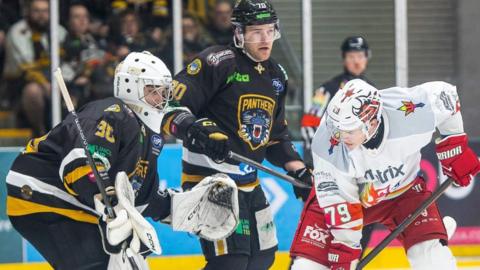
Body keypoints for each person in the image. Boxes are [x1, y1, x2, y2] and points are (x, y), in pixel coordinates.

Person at [5, 51, 238, 269]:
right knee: (104, 263)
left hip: (76, 204)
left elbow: (140, 196)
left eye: (164, 91)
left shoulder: (150, 138)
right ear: (130, 87)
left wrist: (178, 207)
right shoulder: (112, 112)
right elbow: (80, 166)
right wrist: (106, 197)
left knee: (129, 261)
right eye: (153, 90)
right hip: (41, 193)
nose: (161, 97)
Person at [160, 0, 311, 269]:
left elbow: (275, 138)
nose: (265, 39)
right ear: (239, 33)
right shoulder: (218, 62)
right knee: (230, 262)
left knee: (262, 259)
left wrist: (297, 170)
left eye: (270, 31)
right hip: (211, 181)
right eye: (256, 32)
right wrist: (199, 132)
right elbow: (169, 106)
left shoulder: (276, 76)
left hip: (249, 185)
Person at [289, 79, 480, 269]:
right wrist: (345, 249)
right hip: (345, 199)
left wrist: (455, 145)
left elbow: (445, 95)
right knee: (307, 267)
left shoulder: (409, 111)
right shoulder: (328, 142)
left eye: (349, 130)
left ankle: (429, 241)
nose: (340, 137)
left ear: (371, 123)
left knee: (431, 260)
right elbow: (338, 200)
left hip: (404, 194)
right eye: (338, 129)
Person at [299, 35, 376, 253]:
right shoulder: (327, 90)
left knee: (359, 238)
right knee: (319, 236)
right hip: (332, 177)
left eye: (361, 56)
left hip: (363, 177)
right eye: (352, 56)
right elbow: (308, 126)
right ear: (344, 58)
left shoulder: (375, 91)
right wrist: (317, 164)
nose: (357, 61)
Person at [3, 0, 67, 136]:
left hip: (55, 82)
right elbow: (26, 67)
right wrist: (46, 84)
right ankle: (40, 132)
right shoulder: (18, 32)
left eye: (45, 11)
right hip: (21, 86)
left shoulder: (59, 31)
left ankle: (65, 135)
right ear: (28, 12)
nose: (41, 15)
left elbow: (66, 62)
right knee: (33, 91)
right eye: (37, 11)